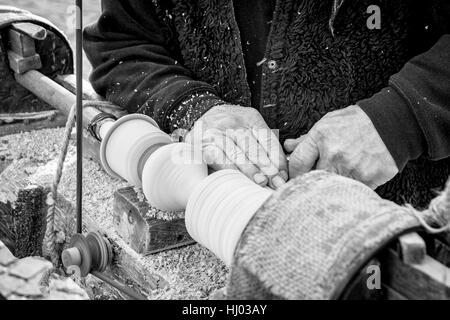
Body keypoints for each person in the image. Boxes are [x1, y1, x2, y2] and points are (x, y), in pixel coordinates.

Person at [84, 0, 450, 207]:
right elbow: (122, 44)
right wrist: (194, 106)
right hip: (220, 220)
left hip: (407, 216)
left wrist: (400, 118)